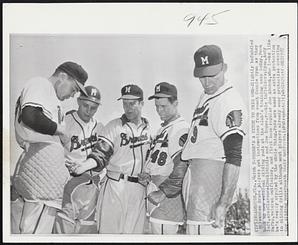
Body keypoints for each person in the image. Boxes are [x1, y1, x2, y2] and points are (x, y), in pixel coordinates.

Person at [11, 61, 88, 234]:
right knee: (33, 231)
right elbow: (30, 115)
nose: (73, 95)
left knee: (34, 229)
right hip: (40, 171)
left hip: (44, 172)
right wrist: (60, 131)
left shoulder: (51, 96)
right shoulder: (41, 83)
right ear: (62, 77)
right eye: (74, 89)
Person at [181, 45, 248, 235]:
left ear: (224, 68)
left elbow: (234, 156)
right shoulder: (207, 96)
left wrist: (223, 203)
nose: (207, 82)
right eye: (202, 76)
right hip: (195, 179)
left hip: (211, 180)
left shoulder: (229, 100)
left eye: (212, 75)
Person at [67, 84, 151, 234]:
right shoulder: (114, 127)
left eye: (132, 103)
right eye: (125, 103)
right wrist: (83, 166)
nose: (128, 107)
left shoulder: (150, 130)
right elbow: (101, 154)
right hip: (115, 185)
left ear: (142, 103)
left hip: (139, 188)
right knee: (109, 234)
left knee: (135, 235)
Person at [138, 82, 189, 234]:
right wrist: (147, 174)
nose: (159, 111)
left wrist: (163, 192)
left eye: (164, 106)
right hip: (156, 193)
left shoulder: (180, 128)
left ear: (176, 104)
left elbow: (182, 166)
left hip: (167, 198)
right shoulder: (163, 129)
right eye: (157, 106)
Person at [53, 85, 106, 234]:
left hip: (93, 186)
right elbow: (53, 149)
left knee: (87, 230)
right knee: (63, 229)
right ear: (78, 101)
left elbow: (104, 158)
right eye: (85, 105)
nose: (89, 111)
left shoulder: (100, 127)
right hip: (69, 183)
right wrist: (62, 162)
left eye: (93, 108)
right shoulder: (65, 121)